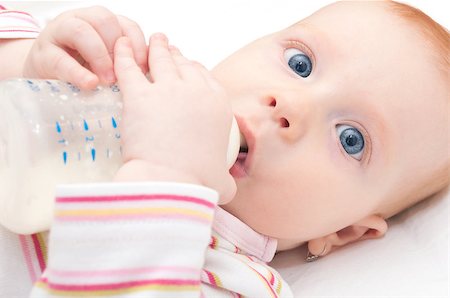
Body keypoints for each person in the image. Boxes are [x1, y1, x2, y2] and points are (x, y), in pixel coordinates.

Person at [0, 1, 448, 297]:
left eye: (351, 139)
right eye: (300, 64)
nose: (292, 106)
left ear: (346, 231)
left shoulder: (237, 281)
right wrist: (26, 61)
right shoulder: (137, 87)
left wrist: (165, 175)